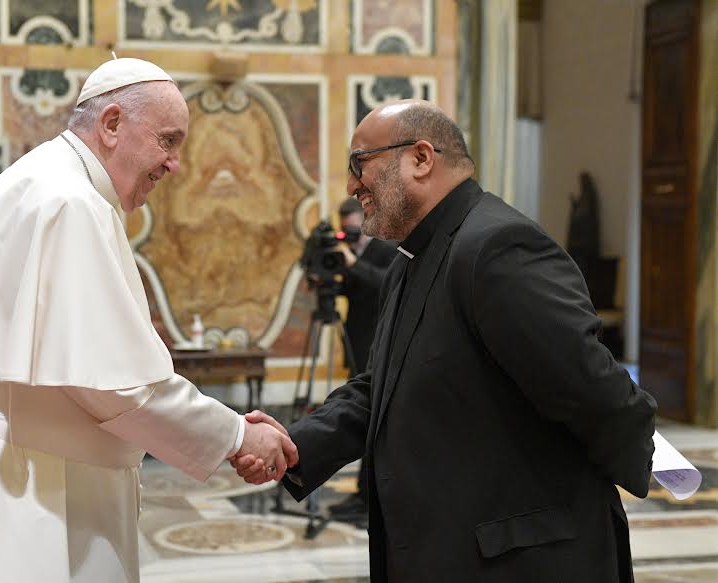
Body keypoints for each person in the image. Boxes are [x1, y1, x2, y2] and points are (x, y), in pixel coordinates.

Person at [0, 58, 297, 583]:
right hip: (14, 481)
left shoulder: (45, 176)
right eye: (167, 141)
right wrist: (235, 436)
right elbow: (118, 387)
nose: (174, 165)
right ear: (112, 123)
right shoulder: (71, 202)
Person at [234, 100, 656, 582]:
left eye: (360, 163)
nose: (352, 186)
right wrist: (293, 445)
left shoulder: (498, 247)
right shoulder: (412, 257)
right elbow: (381, 387)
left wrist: (645, 463)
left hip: (520, 561)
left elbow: (594, 392)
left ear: (420, 158)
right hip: (450, 551)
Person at [329, 197, 395, 518]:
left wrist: (353, 263)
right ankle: (361, 493)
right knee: (362, 413)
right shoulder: (355, 251)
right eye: (346, 230)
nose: (351, 235)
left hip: (376, 342)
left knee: (371, 417)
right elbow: (352, 290)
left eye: (354, 229)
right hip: (356, 341)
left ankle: (368, 497)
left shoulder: (387, 247)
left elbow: (385, 284)